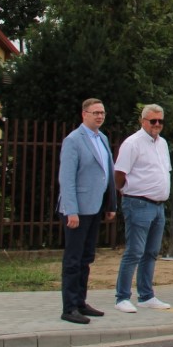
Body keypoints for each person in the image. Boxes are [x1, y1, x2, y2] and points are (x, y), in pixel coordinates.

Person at [57, 98, 117, 324]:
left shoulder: (101, 138)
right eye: (95, 113)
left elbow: (108, 174)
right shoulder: (74, 140)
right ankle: (69, 306)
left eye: (102, 112)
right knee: (73, 259)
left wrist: (111, 204)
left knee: (86, 257)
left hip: (95, 206)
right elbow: (67, 178)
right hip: (77, 209)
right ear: (84, 114)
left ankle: (81, 301)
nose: (99, 116)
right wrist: (71, 210)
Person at [112, 104, 172, 313]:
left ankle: (146, 295)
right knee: (135, 251)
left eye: (160, 121)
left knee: (152, 251)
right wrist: (126, 191)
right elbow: (120, 173)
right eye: (152, 121)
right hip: (138, 202)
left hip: (157, 205)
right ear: (143, 121)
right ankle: (122, 296)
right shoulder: (133, 143)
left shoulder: (162, 143)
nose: (156, 125)